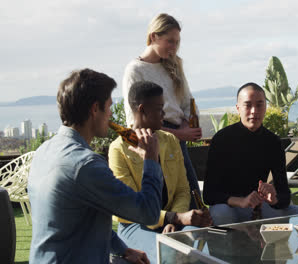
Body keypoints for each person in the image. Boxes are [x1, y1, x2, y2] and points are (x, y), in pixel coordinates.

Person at [28, 69, 163, 263]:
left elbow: (76, 218)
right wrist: (151, 159)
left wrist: (122, 249)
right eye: (108, 107)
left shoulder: (44, 151)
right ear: (94, 109)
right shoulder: (86, 165)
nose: (110, 114)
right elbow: (148, 213)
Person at [109, 81, 212, 262]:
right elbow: (127, 208)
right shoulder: (119, 149)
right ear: (142, 110)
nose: (164, 115)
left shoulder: (170, 140)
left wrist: (174, 221)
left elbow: (182, 189)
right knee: (171, 254)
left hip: (176, 222)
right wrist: (173, 218)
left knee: (200, 250)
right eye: (159, 109)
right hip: (136, 226)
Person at [203, 82, 298, 225]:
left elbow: (284, 195)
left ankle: (291, 247)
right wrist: (240, 201)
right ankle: (229, 247)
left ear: (265, 108)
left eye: (259, 105)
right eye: (248, 105)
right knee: (221, 213)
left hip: (260, 208)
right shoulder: (222, 139)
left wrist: (274, 198)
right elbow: (209, 195)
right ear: (238, 108)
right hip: (230, 207)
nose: (254, 111)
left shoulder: (272, 142)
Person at [122, 13, 201, 209]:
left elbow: (187, 101)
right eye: (170, 41)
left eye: (177, 42)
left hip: (178, 139)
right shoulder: (135, 70)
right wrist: (180, 133)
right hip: (154, 140)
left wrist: (190, 124)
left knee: (192, 197)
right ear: (153, 36)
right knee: (164, 199)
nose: (174, 47)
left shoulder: (174, 64)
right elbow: (134, 121)